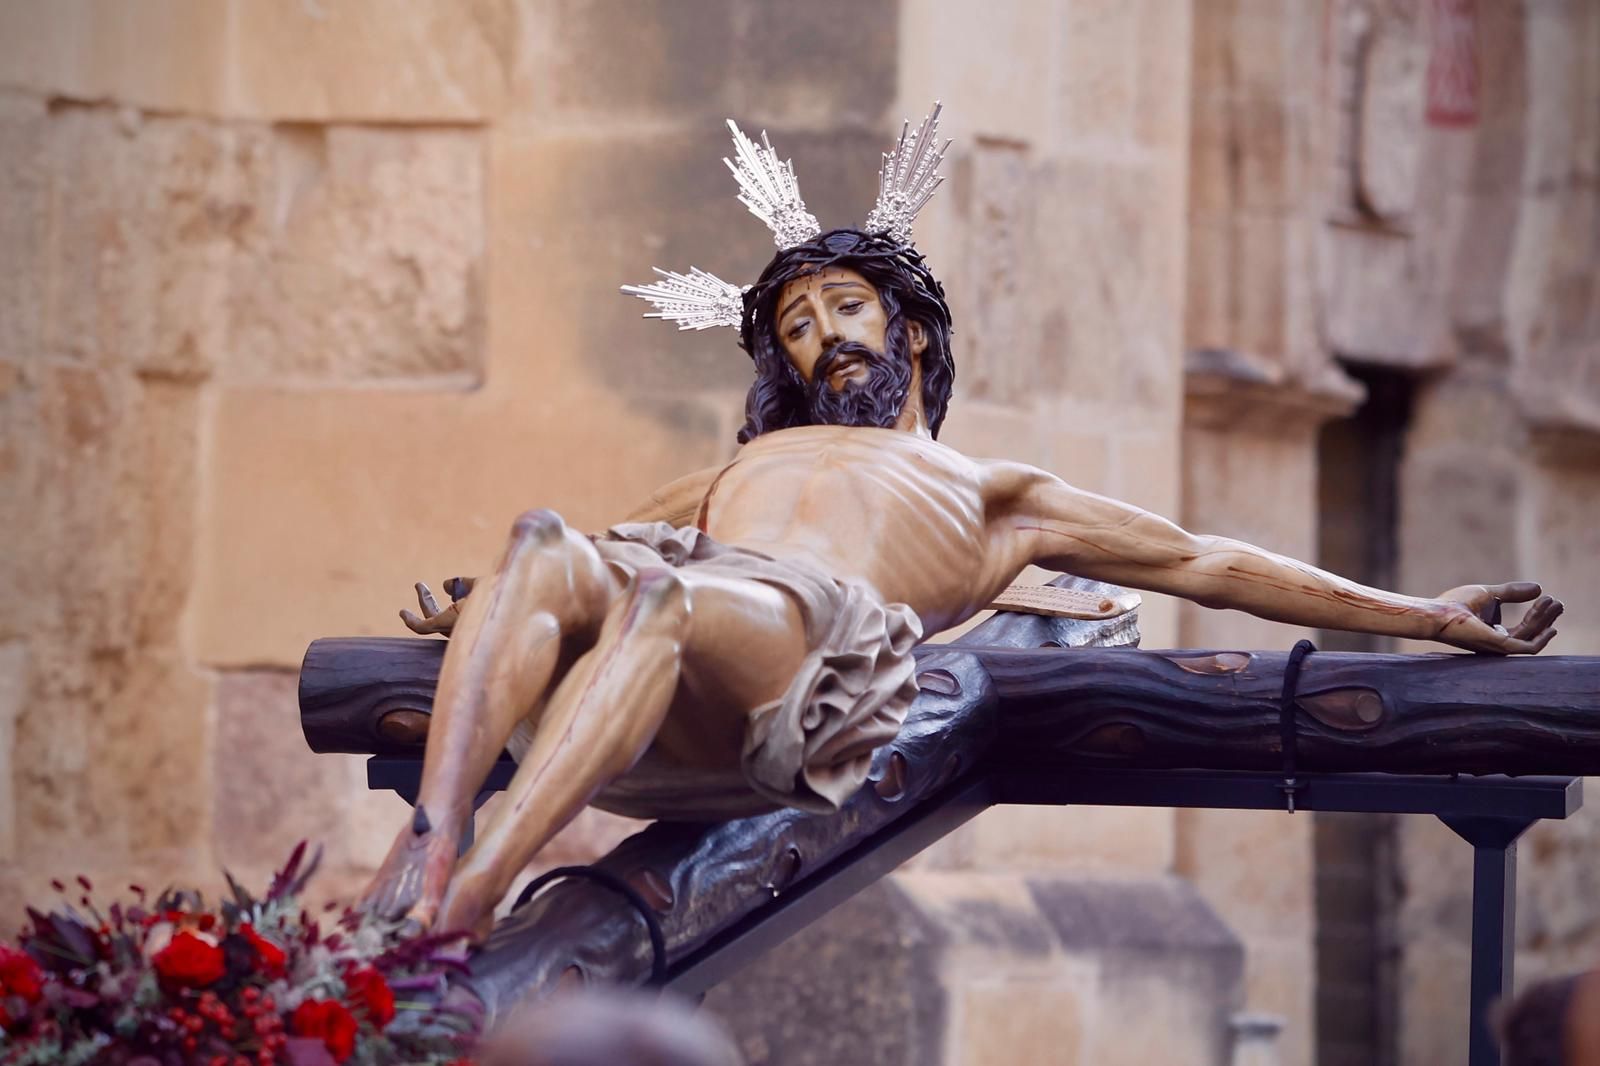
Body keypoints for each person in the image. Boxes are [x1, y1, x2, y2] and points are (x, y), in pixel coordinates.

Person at [361, 111, 1562, 941]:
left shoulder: (995, 494)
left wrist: (1422, 614)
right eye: (793, 326)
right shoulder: (752, 458)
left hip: (804, 659)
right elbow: (605, 551)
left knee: (661, 595)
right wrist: (482, 602)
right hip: (682, 619)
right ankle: (431, 835)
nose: (821, 335)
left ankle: (478, 887)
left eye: (845, 307)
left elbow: (1210, 559)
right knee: (540, 538)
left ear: (911, 332)